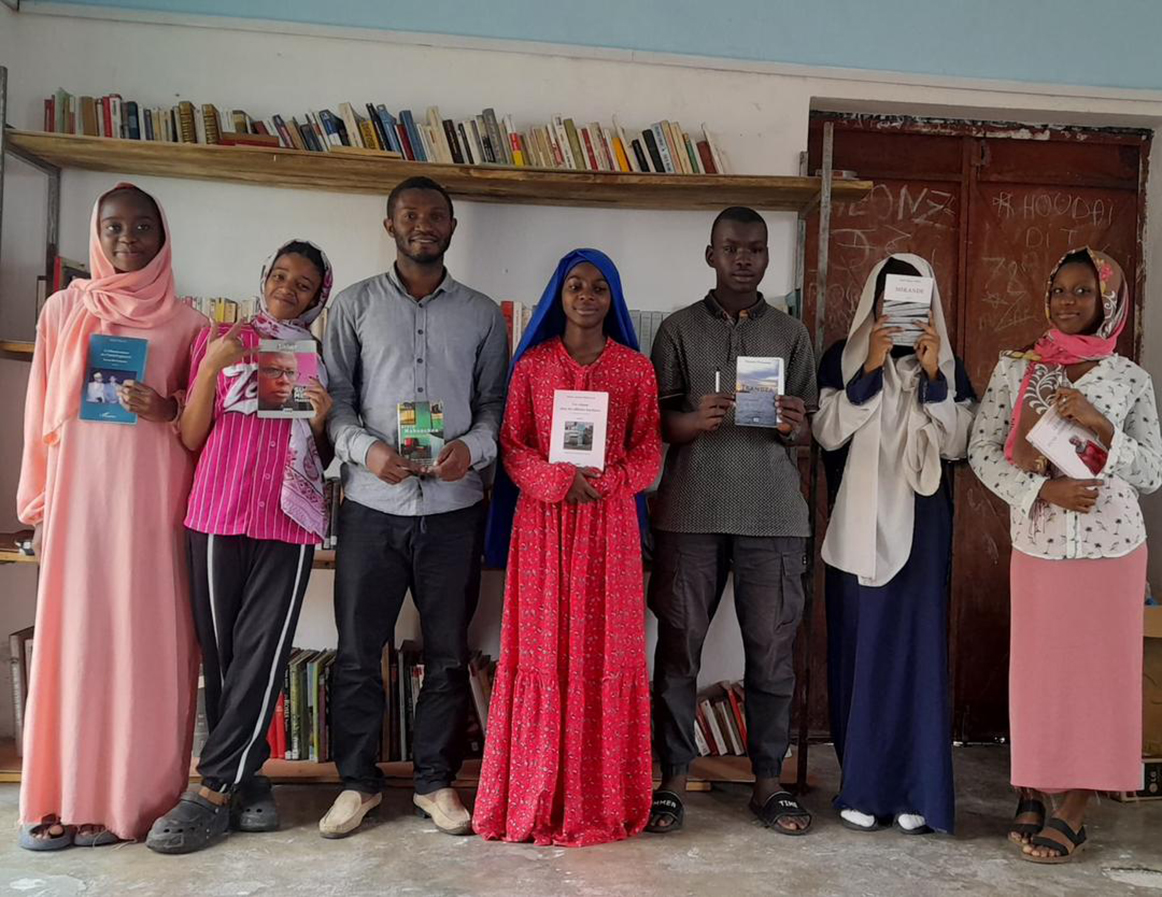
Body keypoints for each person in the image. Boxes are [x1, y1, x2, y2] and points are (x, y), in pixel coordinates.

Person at [16, 183, 205, 849]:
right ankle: (60, 795)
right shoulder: (64, 309)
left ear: (163, 234)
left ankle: (132, 801)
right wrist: (36, 506)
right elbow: (42, 413)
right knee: (78, 644)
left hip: (154, 506)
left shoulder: (188, 322)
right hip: (79, 506)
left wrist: (168, 408)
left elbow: (202, 423)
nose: (128, 239)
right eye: (114, 226)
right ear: (96, 234)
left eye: (143, 226)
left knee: (146, 647)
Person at [320, 176, 508, 837]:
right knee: (356, 651)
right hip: (372, 504)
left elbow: (494, 408)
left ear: (452, 226)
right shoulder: (352, 306)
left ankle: (436, 781)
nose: (422, 224)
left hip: (455, 506)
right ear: (389, 224)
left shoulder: (484, 314)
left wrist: (475, 449)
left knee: (450, 653)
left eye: (435, 215)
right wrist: (365, 450)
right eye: (409, 215)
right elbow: (335, 400)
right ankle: (357, 784)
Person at [968, 248, 1162, 864]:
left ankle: (1076, 808)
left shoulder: (1129, 378)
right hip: (1041, 541)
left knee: (1101, 679)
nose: (1069, 302)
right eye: (1059, 291)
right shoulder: (1019, 368)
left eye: (1083, 292)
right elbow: (983, 451)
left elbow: (1153, 471)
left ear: (1108, 302)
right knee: (1039, 675)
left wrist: (1106, 428)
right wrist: (1041, 490)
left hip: (1113, 548)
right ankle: (1030, 786)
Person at [146, 240, 335, 854]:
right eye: (280, 275)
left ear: (318, 297)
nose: (288, 288)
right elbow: (191, 432)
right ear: (264, 277)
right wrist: (210, 367)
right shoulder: (219, 337)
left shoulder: (317, 356)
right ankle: (251, 779)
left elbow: (324, 456)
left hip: (288, 519)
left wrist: (320, 421)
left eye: (304, 284)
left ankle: (214, 789)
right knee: (223, 655)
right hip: (216, 511)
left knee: (263, 652)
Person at [474, 249, 662, 846]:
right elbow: (512, 444)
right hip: (544, 529)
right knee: (544, 653)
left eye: (599, 287)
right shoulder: (531, 366)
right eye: (575, 285)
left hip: (610, 530)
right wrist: (557, 480)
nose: (586, 296)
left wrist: (606, 481)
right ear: (559, 294)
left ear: (613, 299)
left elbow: (650, 449)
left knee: (605, 653)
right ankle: (534, 797)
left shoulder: (636, 370)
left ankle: (600, 802)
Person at [646, 206, 816, 836]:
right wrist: (694, 421)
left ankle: (768, 781)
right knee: (678, 650)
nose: (743, 259)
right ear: (710, 255)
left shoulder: (791, 334)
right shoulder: (677, 331)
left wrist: (791, 422)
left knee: (771, 655)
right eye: (731, 248)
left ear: (767, 257)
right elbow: (657, 425)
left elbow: (804, 427)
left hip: (773, 515)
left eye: (755, 249)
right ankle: (671, 778)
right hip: (689, 511)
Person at [812, 255, 976, 835]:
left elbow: (961, 443)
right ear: (874, 304)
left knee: (915, 655)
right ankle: (864, 785)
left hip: (922, 525)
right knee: (862, 650)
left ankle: (916, 791)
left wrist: (933, 379)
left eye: (913, 298)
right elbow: (825, 430)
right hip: (857, 525)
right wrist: (870, 368)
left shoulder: (947, 364)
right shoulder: (843, 355)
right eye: (891, 300)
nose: (902, 311)